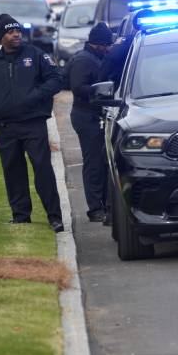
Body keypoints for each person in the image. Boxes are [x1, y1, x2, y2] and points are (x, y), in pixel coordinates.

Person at [0, 14, 65, 232]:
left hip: (33, 124)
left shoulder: (36, 55)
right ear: (1, 36)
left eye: (18, 31)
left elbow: (56, 79)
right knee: (13, 172)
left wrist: (36, 96)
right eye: (11, 32)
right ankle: (21, 215)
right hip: (6, 127)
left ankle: (55, 217)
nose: (16, 35)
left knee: (43, 170)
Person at [66, 22, 114, 222]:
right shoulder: (84, 61)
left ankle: (103, 204)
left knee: (102, 162)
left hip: (95, 116)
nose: (109, 48)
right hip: (87, 117)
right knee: (94, 162)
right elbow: (78, 87)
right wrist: (102, 90)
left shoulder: (93, 57)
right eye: (107, 45)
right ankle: (95, 208)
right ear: (98, 44)